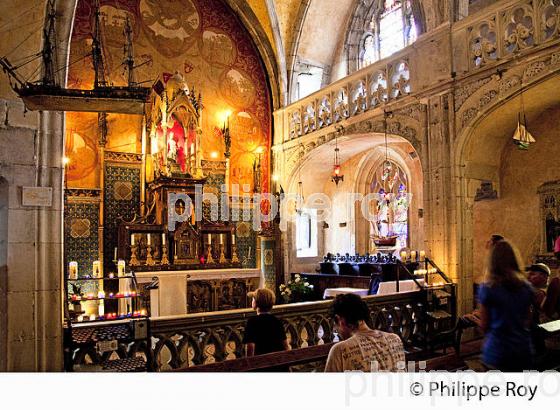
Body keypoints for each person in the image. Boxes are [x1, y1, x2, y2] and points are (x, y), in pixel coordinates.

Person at [478, 240, 536, 371]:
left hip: (498, 352)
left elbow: (484, 325)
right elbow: (527, 320)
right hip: (522, 349)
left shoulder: (488, 288)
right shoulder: (526, 288)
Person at [325, 293, 405, 372]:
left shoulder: (339, 350)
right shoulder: (395, 339)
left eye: (335, 326)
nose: (336, 330)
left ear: (340, 320)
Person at [243, 288, 289, 357]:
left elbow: (250, 347)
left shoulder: (252, 322)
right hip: (277, 361)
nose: (252, 301)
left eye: (253, 299)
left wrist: (249, 364)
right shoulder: (276, 320)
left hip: (261, 362)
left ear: (256, 303)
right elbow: (285, 345)